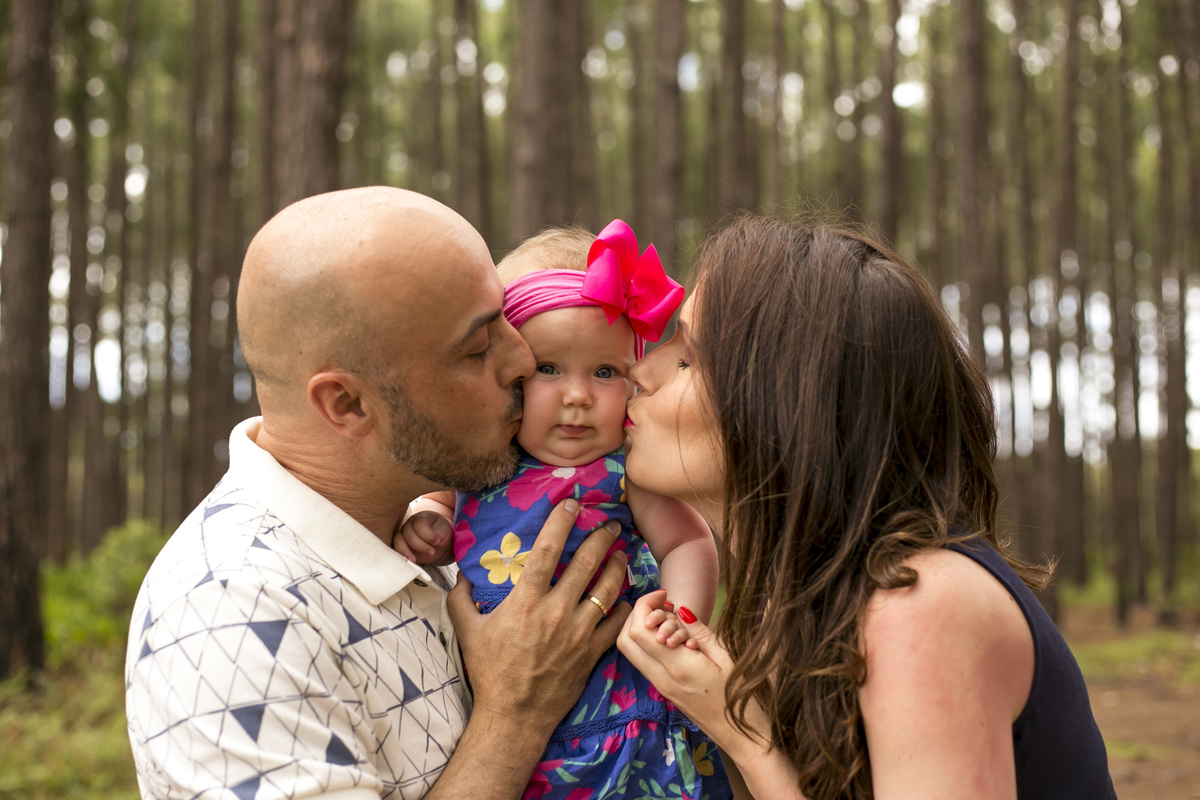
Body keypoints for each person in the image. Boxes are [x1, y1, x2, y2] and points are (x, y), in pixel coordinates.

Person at [124, 187, 634, 800]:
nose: (523, 359)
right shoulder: (232, 616)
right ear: (348, 404)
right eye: (478, 348)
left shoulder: (436, 521)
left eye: (508, 319)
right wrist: (515, 716)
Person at [615, 215, 1118, 800]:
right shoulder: (804, 603)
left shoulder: (921, 607)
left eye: (688, 360)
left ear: (782, 408)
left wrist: (747, 739)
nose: (639, 370)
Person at [397, 221, 731, 800]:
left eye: (605, 372)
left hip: (623, 714)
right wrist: (431, 518)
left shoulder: (627, 469)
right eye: (549, 368)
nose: (577, 396)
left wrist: (683, 617)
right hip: (512, 717)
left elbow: (688, 542)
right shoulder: (483, 458)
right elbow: (440, 496)